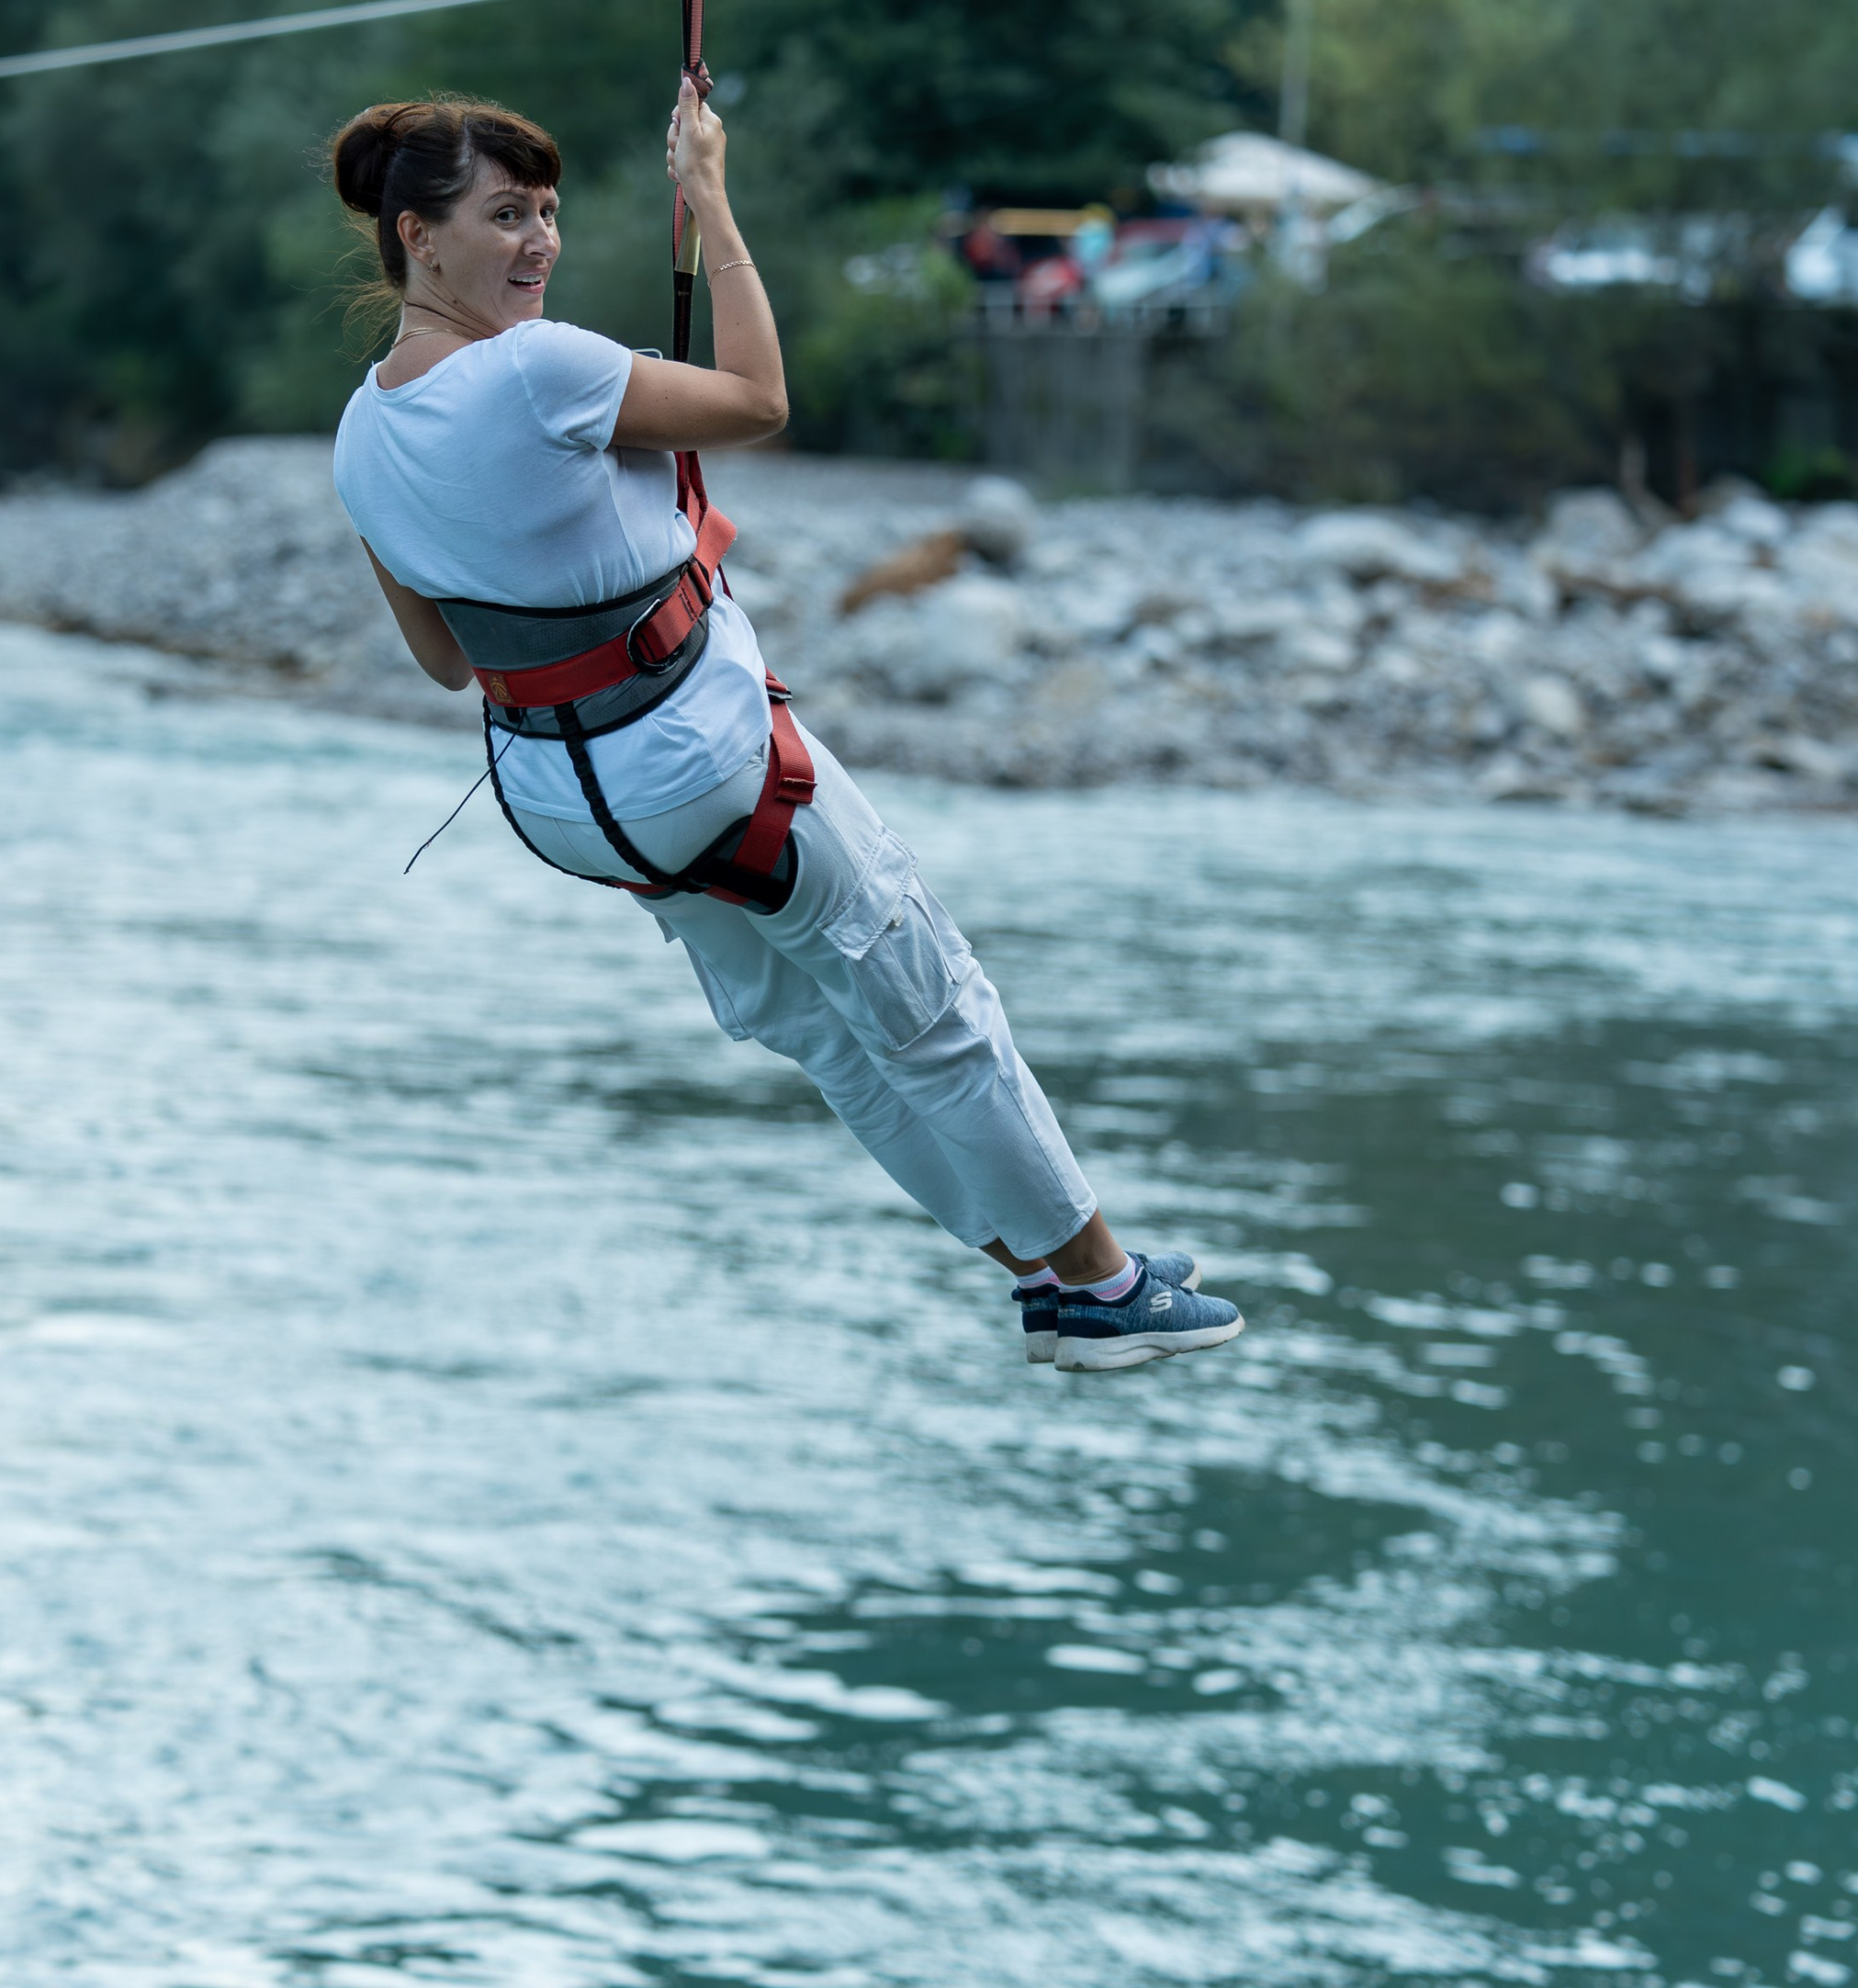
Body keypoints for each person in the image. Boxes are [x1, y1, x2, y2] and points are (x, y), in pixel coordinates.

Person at [330, 84, 1244, 1374]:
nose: (539, 241)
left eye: (546, 212)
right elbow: (759, 400)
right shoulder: (540, 367)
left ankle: (1040, 1271)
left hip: (573, 811)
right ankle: (1102, 1288)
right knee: (934, 1006)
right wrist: (707, 191)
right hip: (705, 768)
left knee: (830, 1036)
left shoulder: (362, 431)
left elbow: (441, 661)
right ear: (418, 236)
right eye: (503, 217)